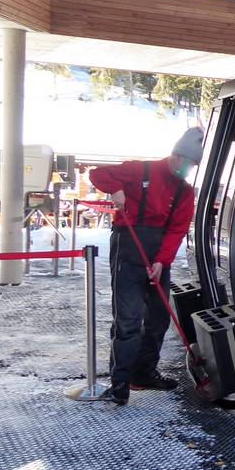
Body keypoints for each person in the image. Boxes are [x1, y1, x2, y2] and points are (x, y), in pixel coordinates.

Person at [89, 127, 204, 405]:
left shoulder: (185, 192)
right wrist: (116, 189)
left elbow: (177, 230)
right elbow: (97, 174)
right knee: (128, 317)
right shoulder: (141, 170)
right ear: (175, 155)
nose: (187, 170)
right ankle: (120, 383)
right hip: (128, 246)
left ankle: (143, 373)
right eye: (186, 163)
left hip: (158, 251)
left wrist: (161, 261)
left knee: (158, 317)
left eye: (192, 166)